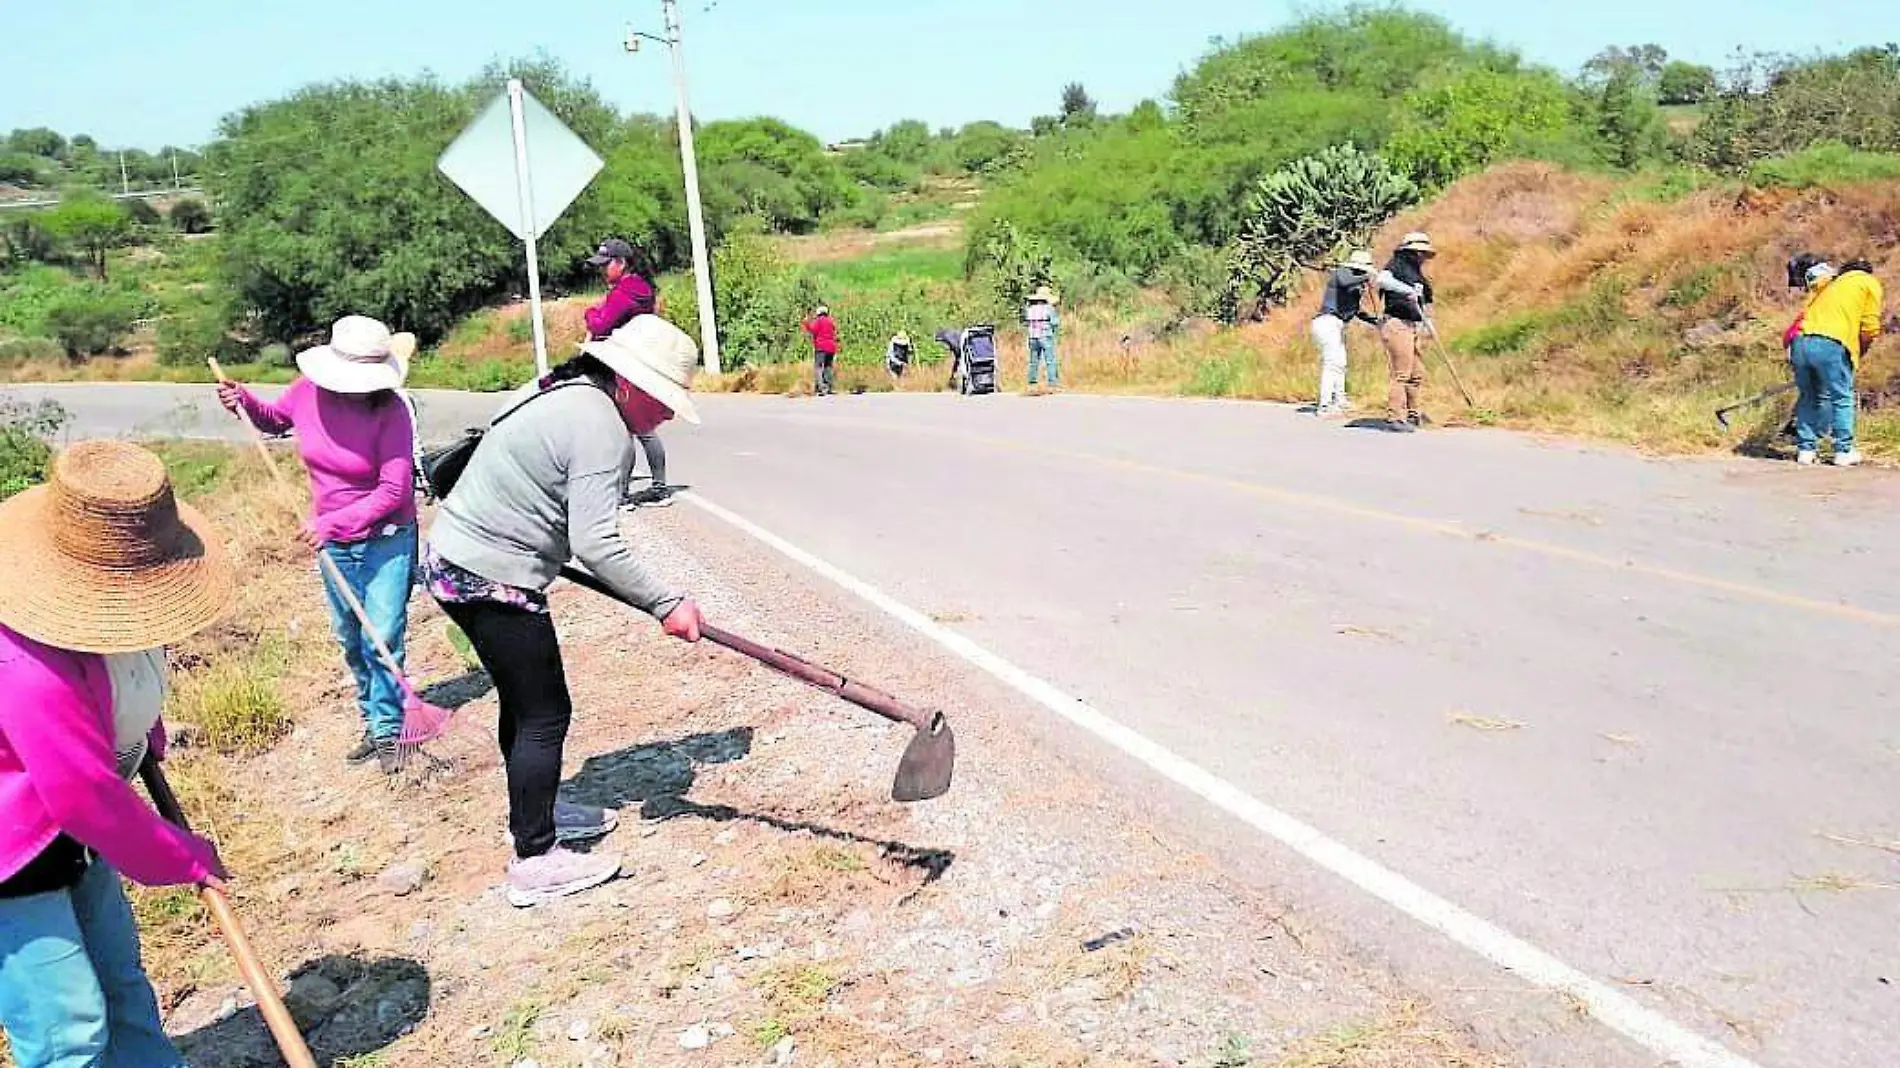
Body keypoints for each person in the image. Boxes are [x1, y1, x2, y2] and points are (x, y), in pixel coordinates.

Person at [423, 314, 707, 908]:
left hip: (457, 557)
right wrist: (667, 603)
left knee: (525, 706)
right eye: (665, 399)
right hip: (490, 575)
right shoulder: (603, 428)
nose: (669, 414)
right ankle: (534, 859)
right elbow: (598, 540)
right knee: (545, 714)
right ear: (628, 382)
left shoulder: (565, 388)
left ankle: (535, 813)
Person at [0, 440, 234, 1068]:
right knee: (67, 1031)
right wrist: (175, 854)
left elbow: (121, 675)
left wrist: (140, 733)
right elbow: (80, 790)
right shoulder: (20, 660)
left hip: (69, 829)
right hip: (10, 854)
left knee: (122, 984)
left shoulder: (91, 626)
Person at [217, 315, 418, 774]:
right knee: (351, 637)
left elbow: (394, 492)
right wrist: (242, 400)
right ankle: (372, 720)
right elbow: (273, 421)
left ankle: (389, 730)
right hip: (334, 543)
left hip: (387, 537)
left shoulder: (391, 411)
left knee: (382, 634)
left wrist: (334, 523)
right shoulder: (308, 390)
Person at [583, 238, 675, 507]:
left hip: (626, 366)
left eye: (606, 264)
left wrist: (589, 313)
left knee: (628, 428)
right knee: (642, 426)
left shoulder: (625, 292)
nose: (602, 271)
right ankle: (657, 487)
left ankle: (623, 495)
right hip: (642, 362)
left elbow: (601, 325)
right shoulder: (640, 289)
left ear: (621, 263)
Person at [1790, 257, 1884, 467]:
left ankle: (1806, 450)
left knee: (1809, 396)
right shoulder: (1868, 282)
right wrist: (1861, 348)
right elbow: (1870, 326)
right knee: (1842, 397)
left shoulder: (1831, 284)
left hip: (1800, 341)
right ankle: (1843, 451)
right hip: (1831, 342)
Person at [1376, 232, 1439, 432]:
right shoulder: (1397, 265)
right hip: (1397, 324)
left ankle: (1414, 413)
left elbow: (1425, 302)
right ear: (1410, 252)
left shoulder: (1418, 274)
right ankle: (1394, 416)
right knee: (1401, 372)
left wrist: (1428, 323)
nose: (1422, 257)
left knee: (1416, 372)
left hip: (1413, 324)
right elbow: (1382, 280)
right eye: (1419, 253)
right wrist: (1406, 290)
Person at [1311, 249, 1379, 416]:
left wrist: (1375, 321)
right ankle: (1325, 405)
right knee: (1332, 363)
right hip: (1327, 322)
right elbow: (1345, 280)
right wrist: (1367, 277)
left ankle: (1339, 400)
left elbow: (1355, 311)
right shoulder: (1341, 274)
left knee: (1340, 363)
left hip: (1338, 324)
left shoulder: (1355, 285)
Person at [1023, 285, 1062, 390]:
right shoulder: (1048, 308)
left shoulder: (1029, 309)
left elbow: (1026, 323)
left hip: (1032, 336)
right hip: (1045, 335)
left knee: (1033, 361)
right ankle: (1052, 384)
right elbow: (1054, 323)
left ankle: (1032, 384)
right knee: (1050, 360)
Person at [802, 304, 840, 396]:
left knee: (818, 368)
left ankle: (821, 388)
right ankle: (829, 387)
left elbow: (813, 330)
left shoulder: (819, 321)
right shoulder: (831, 321)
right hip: (831, 348)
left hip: (821, 347)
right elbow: (835, 332)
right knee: (828, 367)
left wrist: (806, 323)